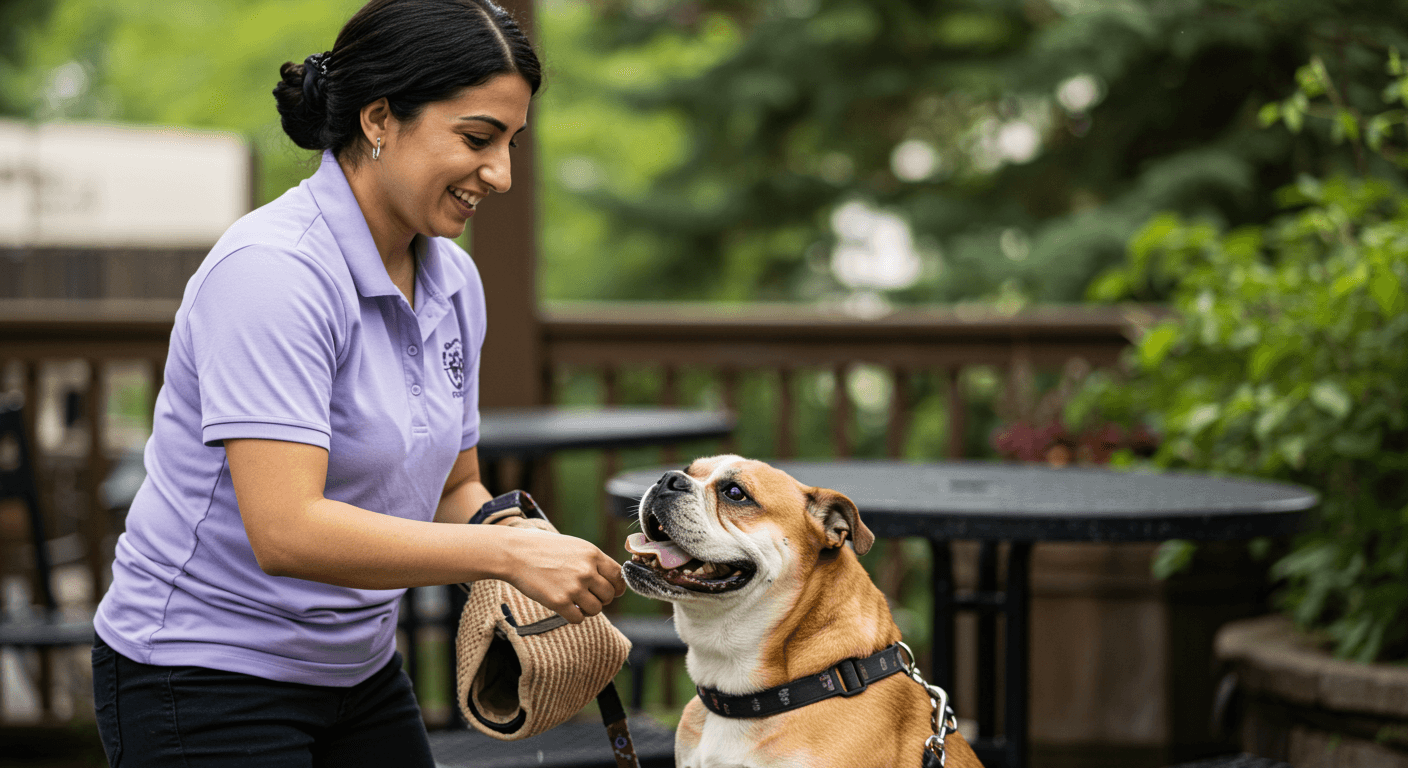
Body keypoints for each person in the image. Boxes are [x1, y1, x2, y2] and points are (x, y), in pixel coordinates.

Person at [90, 1, 626, 765]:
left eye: (511, 143)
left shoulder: (453, 280)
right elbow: (287, 530)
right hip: (198, 673)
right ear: (380, 118)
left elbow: (454, 486)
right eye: (477, 138)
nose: (500, 174)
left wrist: (522, 539)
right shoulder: (273, 273)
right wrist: (504, 561)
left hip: (359, 670)